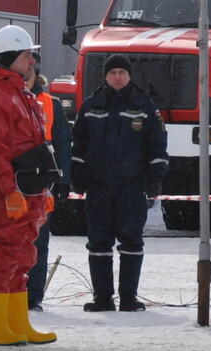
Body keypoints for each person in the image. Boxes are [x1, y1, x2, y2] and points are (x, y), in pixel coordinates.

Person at [0, 24, 59, 347]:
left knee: (23, 256)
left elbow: (35, 146)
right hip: (8, 194)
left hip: (27, 192)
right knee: (2, 254)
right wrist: (9, 190)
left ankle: (16, 323)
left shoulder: (22, 96)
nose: (32, 62)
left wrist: (42, 192)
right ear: (11, 58)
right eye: (27, 55)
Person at [69, 52, 167, 313]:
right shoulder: (91, 106)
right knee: (99, 243)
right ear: (106, 76)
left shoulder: (144, 106)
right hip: (98, 186)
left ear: (129, 75)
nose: (117, 77)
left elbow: (157, 145)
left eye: (121, 72)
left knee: (131, 242)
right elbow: (78, 143)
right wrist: (76, 174)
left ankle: (128, 298)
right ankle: (102, 298)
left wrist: (154, 178)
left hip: (131, 186)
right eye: (112, 73)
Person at [27, 73, 72, 312]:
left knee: (39, 241)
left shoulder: (50, 103)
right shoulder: (5, 98)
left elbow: (64, 142)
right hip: (15, 178)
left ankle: (33, 296)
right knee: (10, 242)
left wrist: (63, 180)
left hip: (43, 181)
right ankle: (8, 292)